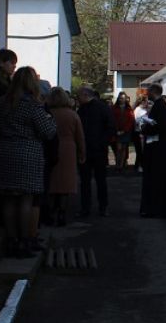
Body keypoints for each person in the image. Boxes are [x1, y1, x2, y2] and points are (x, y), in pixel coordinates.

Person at [0, 66, 56, 258]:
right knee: (26, 198)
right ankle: (24, 241)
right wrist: (51, 120)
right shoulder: (32, 104)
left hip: (5, 151)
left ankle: (11, 240)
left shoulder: (3, 101)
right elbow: (48, 132)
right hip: (28, 153)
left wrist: (3, 131)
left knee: (9, 198)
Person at [44, 87, 85, 227]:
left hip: (50, 148)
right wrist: (82, 152)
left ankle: (50, 213)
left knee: (51, 182)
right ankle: (62, 213)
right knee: (65, 184)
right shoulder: (72, 115)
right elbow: (80, 136)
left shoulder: (47, 113)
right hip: (68, 149)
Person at [140, 83, 166, 218]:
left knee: (158, 178)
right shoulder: (159, 105)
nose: (147, 93)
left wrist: (145, 128)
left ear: (154, 91)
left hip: (159, 148)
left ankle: (158, 208)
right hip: (157, 147)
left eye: (148, 91)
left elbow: (160, 126)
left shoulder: (160, 106)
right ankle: (157, 208)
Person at [77, 87, 115, 218]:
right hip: (90, 149)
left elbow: (111, 127)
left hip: (96, 149)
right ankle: (91, 207)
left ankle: (97, 207)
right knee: (89, 181)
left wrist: (102, 142)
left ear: (85, 95)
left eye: (79, 96)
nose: (77, 98)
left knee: (96, 180)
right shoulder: (84, 109)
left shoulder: (100, 108)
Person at [111, 92, 135, 171]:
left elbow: (131, 120)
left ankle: (121, 165)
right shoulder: (114, 108)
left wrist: (125, 130)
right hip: (117, 131)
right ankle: (117, 164)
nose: (122, 99)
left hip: (126, 131)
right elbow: (112, 119)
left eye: (124, 98)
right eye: (121, 98)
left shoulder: (129, 108)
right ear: (118, 98)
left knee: (124, 148)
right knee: (118, 148)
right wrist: (116, 130)